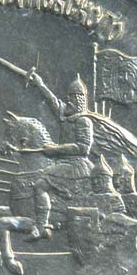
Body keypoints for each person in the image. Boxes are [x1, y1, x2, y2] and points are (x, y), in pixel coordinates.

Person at [23, 72, 94, 240]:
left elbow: (83, 147)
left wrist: (56, 149)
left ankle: (41, 226)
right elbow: (52, 101)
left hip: (77, 165)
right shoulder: (66, 117)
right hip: (64, 163)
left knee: (40, 185)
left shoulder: (83, 121)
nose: (68, 100)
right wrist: (40, 84)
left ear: (80, 100)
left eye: (72, 97)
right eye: (68, 97)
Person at [112, 155, 137, 250]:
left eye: (121, 179)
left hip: (130, 243)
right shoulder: (112, 197)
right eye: (115, 178)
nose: (117, 182)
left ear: (128, 180)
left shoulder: (135, 198)